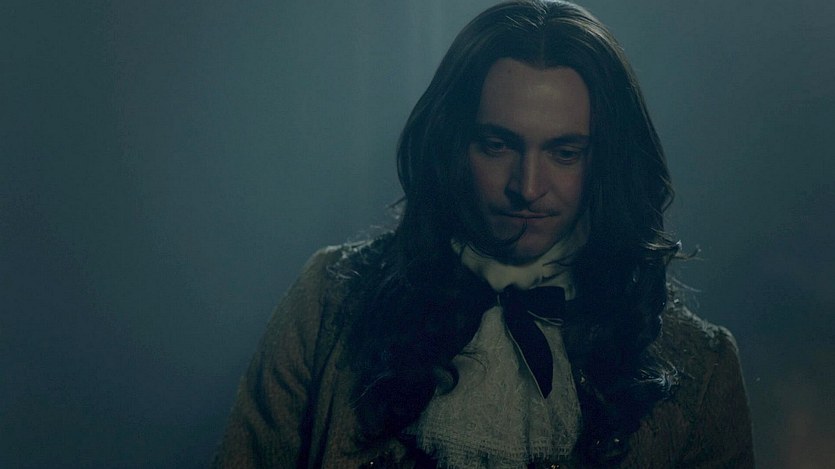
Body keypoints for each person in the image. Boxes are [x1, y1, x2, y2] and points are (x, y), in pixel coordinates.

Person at [213, 1, 754, 467]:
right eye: (497, 146)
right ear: (452, 145)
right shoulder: (329, 300)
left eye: (565, 153)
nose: (528, 187)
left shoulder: (701, 366)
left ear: (606, 162)